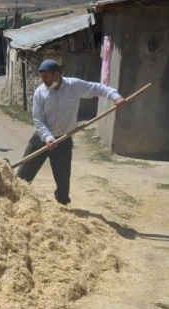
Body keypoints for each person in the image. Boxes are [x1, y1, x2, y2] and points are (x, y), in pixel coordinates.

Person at [16, 59, 126, 205]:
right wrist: (48, 138)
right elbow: (38, 120)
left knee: (63, 177)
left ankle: (63, 205)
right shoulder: (40, 93)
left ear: (57, 74)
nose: (44, 79)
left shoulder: (74, 86)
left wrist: (115, 97)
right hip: (41, 139)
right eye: (42, 76)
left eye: (47, 76)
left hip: (63, 139)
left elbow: (98, 88)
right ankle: (16, 200)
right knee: (24, 172)